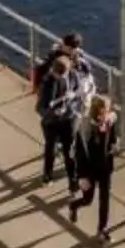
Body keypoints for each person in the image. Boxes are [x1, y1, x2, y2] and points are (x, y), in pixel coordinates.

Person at [37, 50, 95, 185]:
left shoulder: (73, 76)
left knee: (69, 151)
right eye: (59, 76)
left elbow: (78, 93)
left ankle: (73, 182)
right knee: (50, 148)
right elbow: (40, 108)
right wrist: (52, 112)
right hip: (51, 121)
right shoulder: (48, 83)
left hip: (69, 118)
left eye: (64, 75)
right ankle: (47, 175)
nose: (62, 78)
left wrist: (73, 99)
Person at [68, 95, 120, 238]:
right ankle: (74, 205)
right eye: (106, 110)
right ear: (98, 111)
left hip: (105, 167)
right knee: (88, 200)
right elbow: (80, 155)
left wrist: (115, 146)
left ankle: (102, 229)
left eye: (109, 110)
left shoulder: (109, 122)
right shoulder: (86, 130)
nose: (108, 113)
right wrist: (82, 176)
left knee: (105, 199)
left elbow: (112, 137)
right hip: (90, 169)